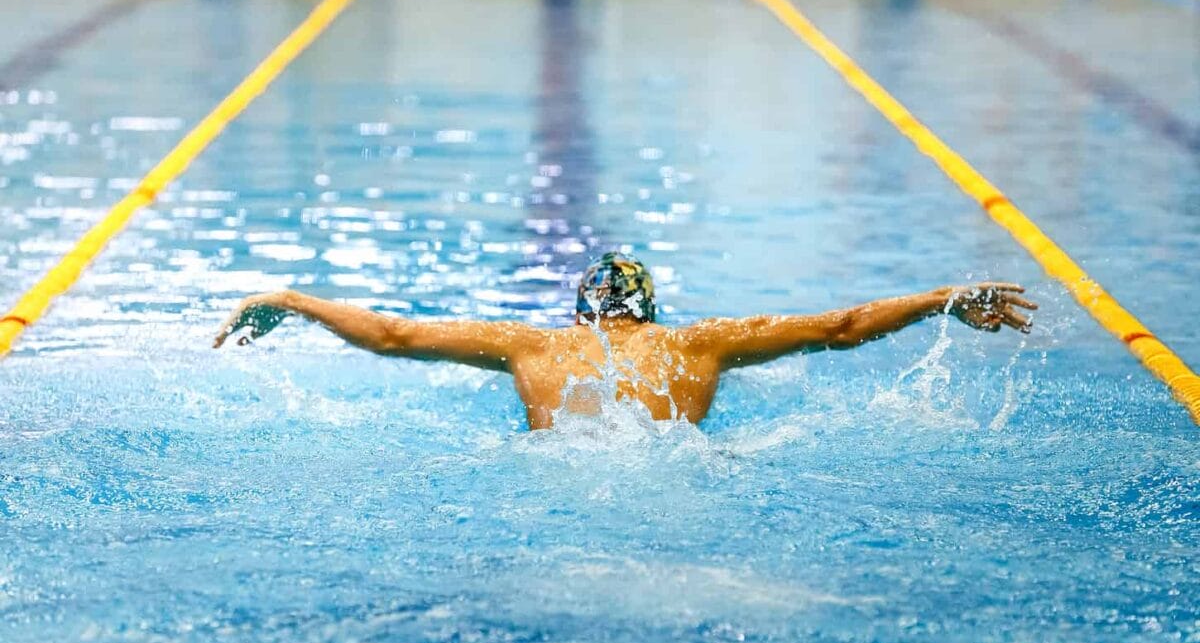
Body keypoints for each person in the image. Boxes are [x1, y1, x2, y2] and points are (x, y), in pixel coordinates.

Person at [213, 252, 1037, 429]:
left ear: (582, 314)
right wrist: (940, 298)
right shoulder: (703, 344)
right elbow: (841, 327)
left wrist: (291, 297)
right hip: (679, 496)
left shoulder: (531, 347)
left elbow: (394, 335)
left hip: (557, 498)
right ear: (650, 309)